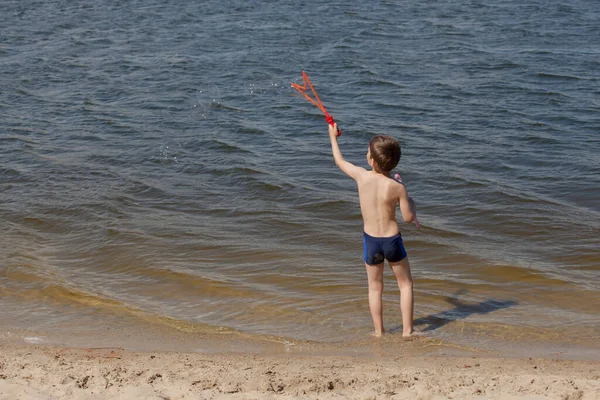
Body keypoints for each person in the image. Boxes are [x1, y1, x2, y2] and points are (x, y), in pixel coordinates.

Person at [327, 123, 418, 338]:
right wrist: (411, 201)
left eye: (368, 151)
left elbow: (339, 161)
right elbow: (408, 217)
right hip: (392, 240)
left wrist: (333, 137)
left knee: (375, 287)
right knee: (405, 285)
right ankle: (407, 331)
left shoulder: (361, 176)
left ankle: (379, 332)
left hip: (372, 241)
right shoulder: (397, 187)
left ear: (371, 161)